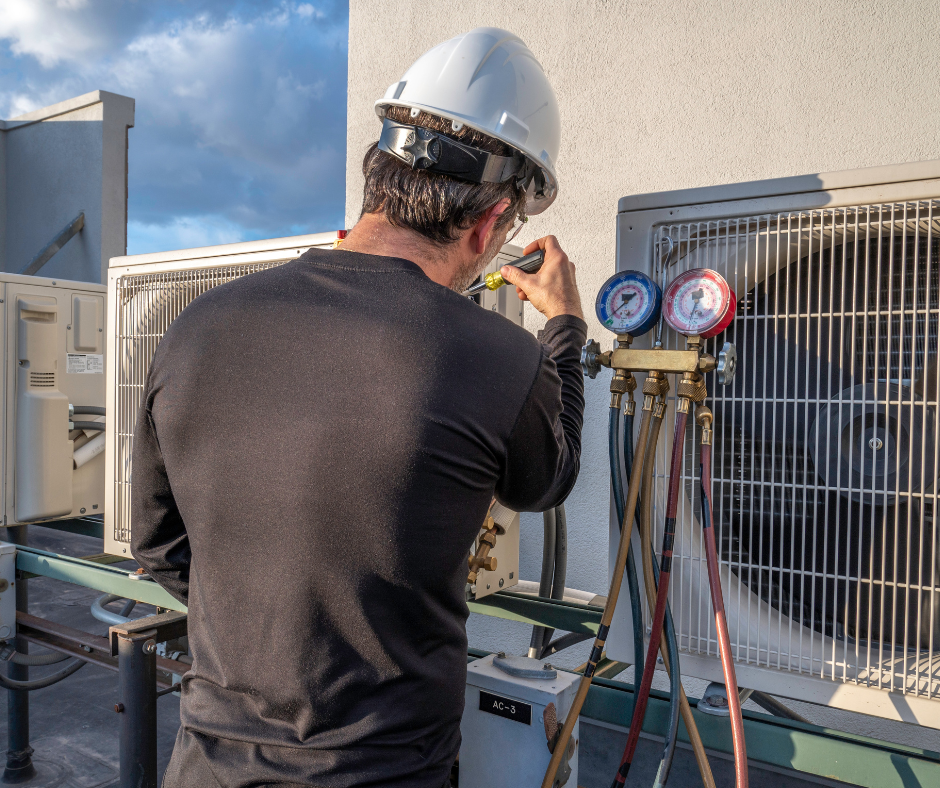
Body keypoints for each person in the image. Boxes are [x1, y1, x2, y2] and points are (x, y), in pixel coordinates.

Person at [132, 27, 586, 788]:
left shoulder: (197, 327)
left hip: (206, 767)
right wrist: (565, 329)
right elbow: (547, 479)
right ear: (489, 223)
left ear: (377, 175)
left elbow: (160, 548)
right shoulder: (497, 357)